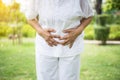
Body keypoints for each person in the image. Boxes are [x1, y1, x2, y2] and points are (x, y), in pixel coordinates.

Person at [24, 0, 94, 80]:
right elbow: (30, 17)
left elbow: (89, 15)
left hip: (71, 47)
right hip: (45, 46)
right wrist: (41, 32)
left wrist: (78, 31)